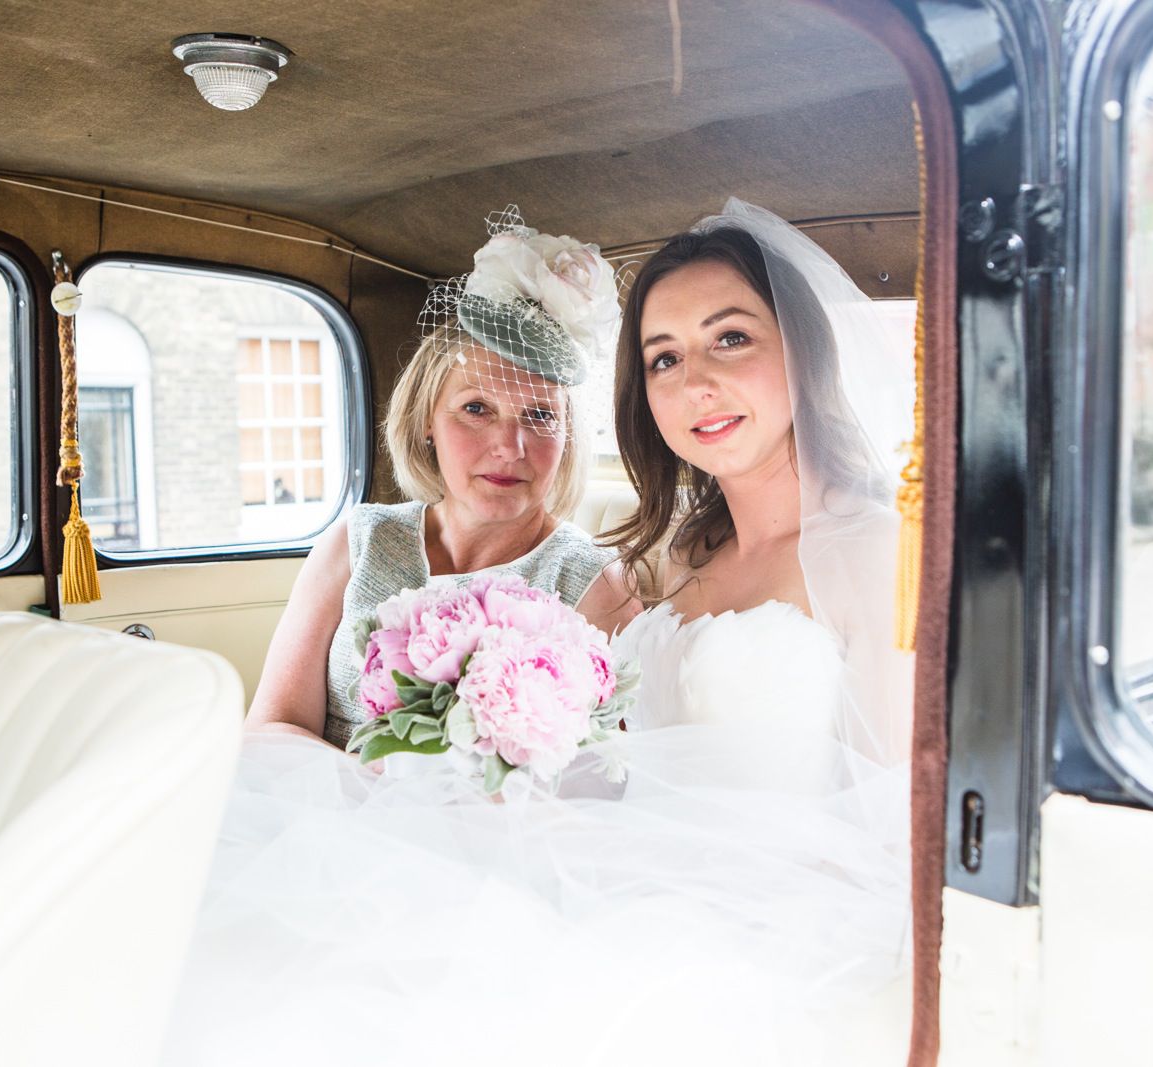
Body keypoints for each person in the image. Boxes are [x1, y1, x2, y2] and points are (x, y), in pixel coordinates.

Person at [158, 201, 915, 1066]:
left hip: (767, 921)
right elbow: (577, 740)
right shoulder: (666, 561)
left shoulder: (881, 551)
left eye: (730, 338)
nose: (694, 380)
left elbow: (898, 823)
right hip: (614, 875)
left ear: (805, 352)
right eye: (663, 357)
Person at [246, 209, 638, 749]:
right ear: (427, 421)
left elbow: (611, 775)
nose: (510, 447)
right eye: (477, 408)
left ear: (569, 434)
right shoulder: (359, 542)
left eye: (541, 415)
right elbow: (272, 727)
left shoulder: (598, 586)